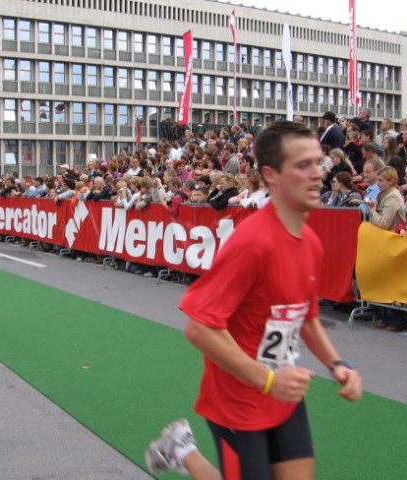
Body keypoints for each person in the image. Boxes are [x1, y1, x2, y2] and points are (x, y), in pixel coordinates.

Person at [145, 121, 362, 480]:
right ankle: (181, 450)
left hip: (283, 390)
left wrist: (337, 363)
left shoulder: (309, 240)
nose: (317, 175)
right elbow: (198, 328)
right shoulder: (253, 243)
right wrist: (266, 380)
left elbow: (305, 317)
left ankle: (180, 448)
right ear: (271, 175)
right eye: (302, 165)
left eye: (318, 163)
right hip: (239, 401)